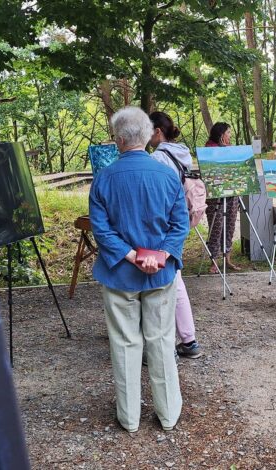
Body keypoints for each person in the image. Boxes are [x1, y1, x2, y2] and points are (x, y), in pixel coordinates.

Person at [89, 106, 189, 432]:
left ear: (118, 140)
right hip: (159, 273)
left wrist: (131, 255)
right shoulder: (167, 175)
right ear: (148, 136)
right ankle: (168, 413)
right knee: (161, 341)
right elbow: (180, 224)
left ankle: (129, 417)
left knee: (124, 343)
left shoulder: (104, 178)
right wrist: (158, 255)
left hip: (119, 273)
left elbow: (101, 230)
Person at [148, 111, 203, 359]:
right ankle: (188, 340)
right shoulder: (182, 152)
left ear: (158, 131)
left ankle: (166, 345)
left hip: (163, 222)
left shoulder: (158, 158)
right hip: (181, 219)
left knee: (166, 283)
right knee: (175, 278)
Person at [204, 122, 241, 273]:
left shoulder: (229, 149)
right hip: (216, 196)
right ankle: (214, 261)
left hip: (232, 193)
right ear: (221, 134)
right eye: (228, 132)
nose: (230, 135)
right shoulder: (209, 149)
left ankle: (227, 259)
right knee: (216, 227)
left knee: (230, 225)